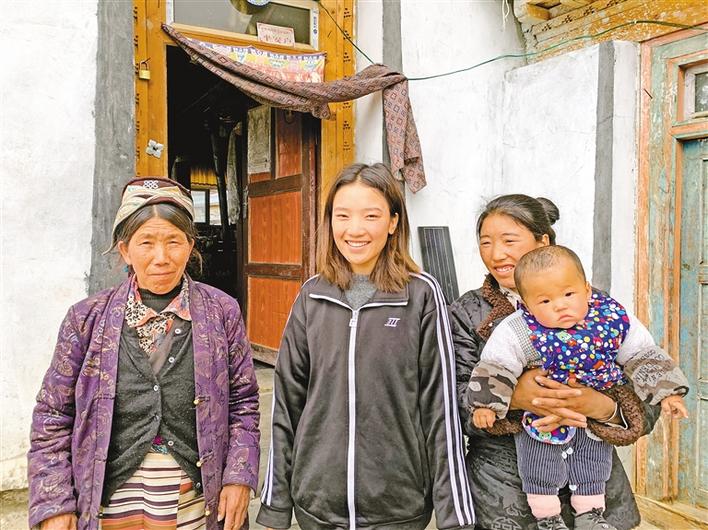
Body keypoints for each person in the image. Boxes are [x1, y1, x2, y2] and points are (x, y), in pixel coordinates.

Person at [28, 177, 260, 530]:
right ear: (125, 250)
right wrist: (54, 503)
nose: (161, 258)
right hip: (108, 502)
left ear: (190, 245)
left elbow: (243, 403)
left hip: (197, 502)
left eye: (174, 242)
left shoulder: (222, 312)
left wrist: (239, 476)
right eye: (146, 242)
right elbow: (52, 415)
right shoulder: (86, 318)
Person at [256, 163, 475, 530]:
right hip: (317, 502)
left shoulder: (421, 294)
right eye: (343, 215)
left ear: (393, 222)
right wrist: (276, 504)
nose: (355, 229)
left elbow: (441, 407)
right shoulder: (313, 295)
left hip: (398, 505)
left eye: (371, 216)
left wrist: (454, 514)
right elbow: (287, 403)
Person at [449, 194, 663, 530]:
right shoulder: (466, 313)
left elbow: (647, 390)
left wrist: (603, 407)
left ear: (543, 242)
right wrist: (515, 398)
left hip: (597, 487)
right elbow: (446, 404)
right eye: (486, 242)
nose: (496, 254)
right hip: (503, 490)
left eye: (509, 241)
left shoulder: (594, 307)